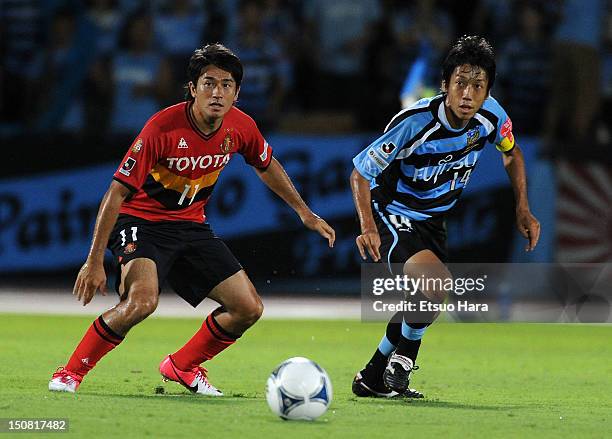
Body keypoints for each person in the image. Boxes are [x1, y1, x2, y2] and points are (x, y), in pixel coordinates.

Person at [49, 43, 335, 395]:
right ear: (193, 88)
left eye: (226, 85)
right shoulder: (162, 128)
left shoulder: (241, 126)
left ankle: (182, 365)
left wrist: (303, 211)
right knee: (142, 302)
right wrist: (93, 262)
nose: (218, 93)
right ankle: (70, 372)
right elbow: (115, 194)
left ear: (237, 92)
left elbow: (266, 164)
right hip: (140, 221)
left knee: (247, 308)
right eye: (209, 83)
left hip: (191, 225)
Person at [350, 35, 540, 398]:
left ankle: (372, 377)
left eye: (478, 86)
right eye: (461, 84)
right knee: (436, 288)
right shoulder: (414, 122)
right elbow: (360, 172)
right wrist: (368, 226)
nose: (468, 94)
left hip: (434, 221)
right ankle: (403, 363)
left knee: (424, 301)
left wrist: (522, 207)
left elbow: (512, 153)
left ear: (487, 92)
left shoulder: (491, 116)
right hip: (394, 213)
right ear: (445, 85)